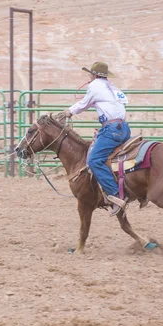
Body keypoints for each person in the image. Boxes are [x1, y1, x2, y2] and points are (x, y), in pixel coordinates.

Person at [63, 62, 131, 216]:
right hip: (124, 129)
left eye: (90, 75)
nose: (89, 78)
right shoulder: (111, 87)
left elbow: (83, 104)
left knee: (94, 160)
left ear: (94, 75)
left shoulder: (95, 86)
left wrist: (68, 112)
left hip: (111, 130)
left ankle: (116, 195)